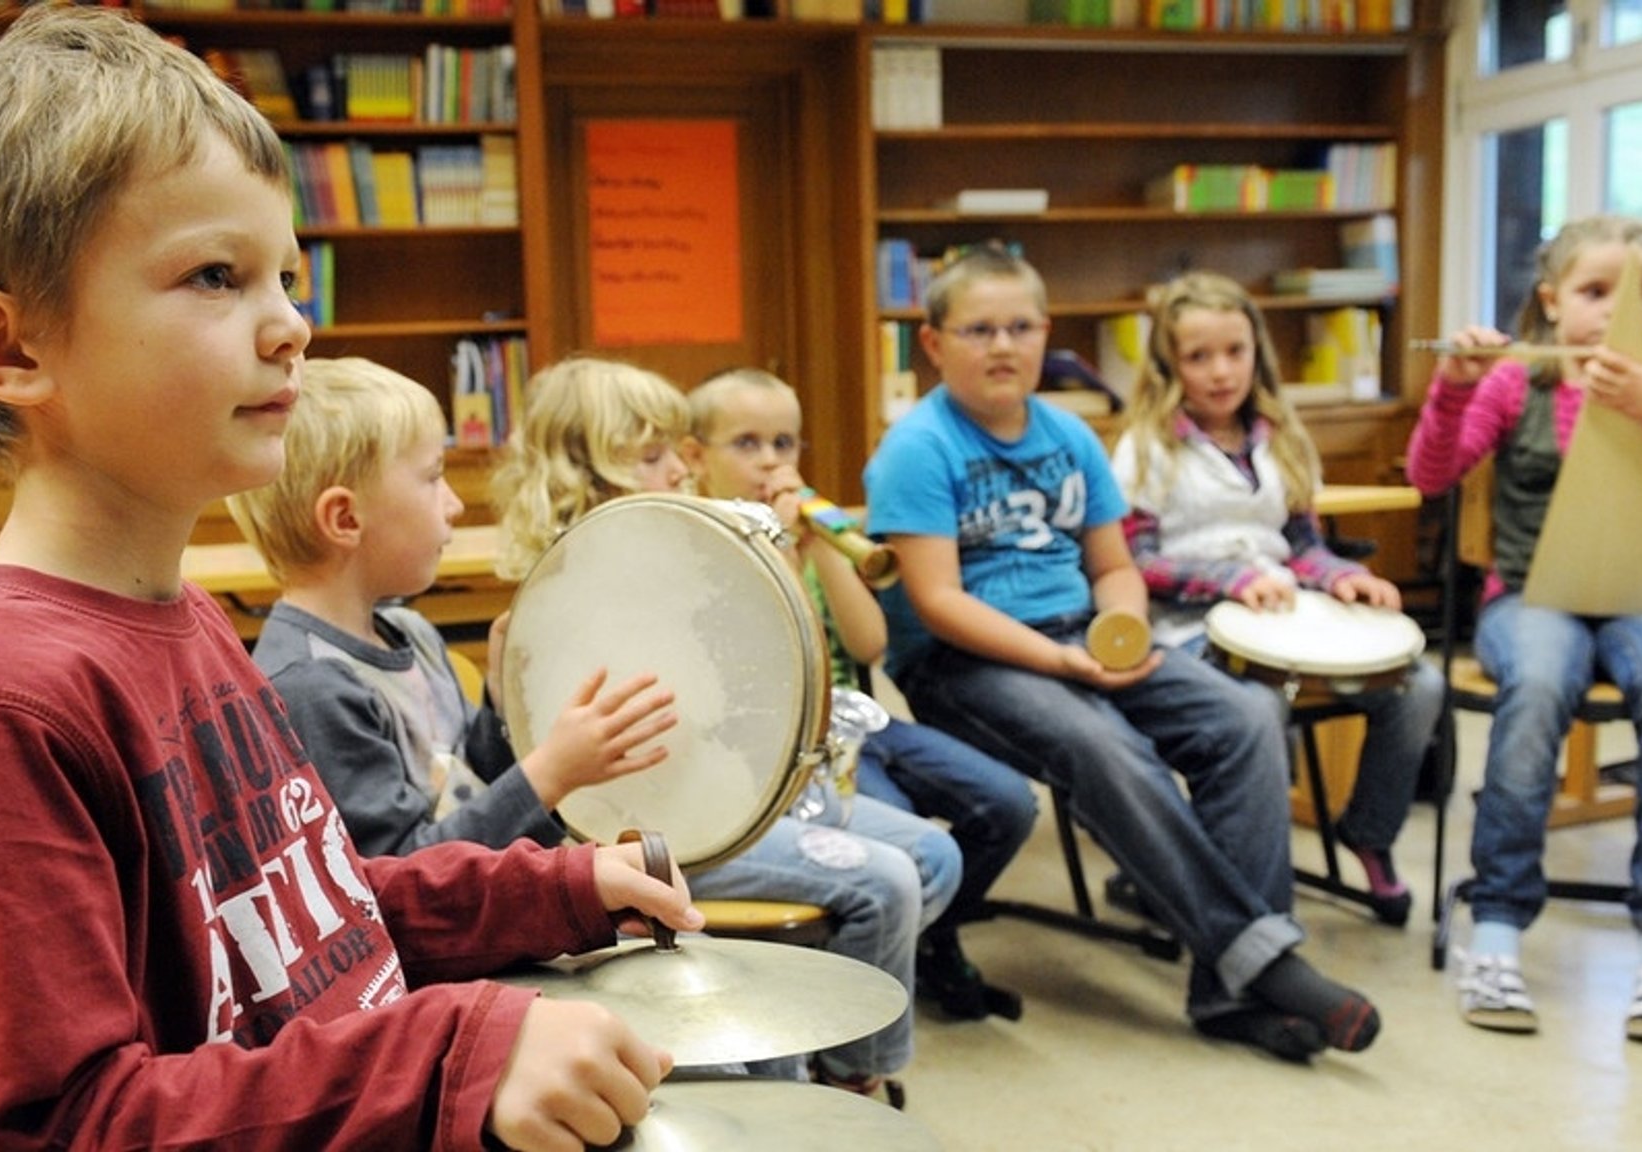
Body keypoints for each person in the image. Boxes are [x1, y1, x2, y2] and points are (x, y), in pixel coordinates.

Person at [0, 11, 705, 1151]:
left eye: (286, 277)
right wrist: (450, 1055)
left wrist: (549, 888)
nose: (292, 325)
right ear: (9, 348)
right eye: (216, 276)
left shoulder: (189, 618)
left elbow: (318, 924)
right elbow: (73, 1126)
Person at [863, 246, 1381, 1062]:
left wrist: (1121, 633)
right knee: (1104, 744)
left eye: (1020, 327)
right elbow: (939, 603)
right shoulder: (918, 447)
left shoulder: (1069, 435)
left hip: (1082, 634)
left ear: (1046, 335)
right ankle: (1266, 963)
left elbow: (1113, 567)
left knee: (1247, 716)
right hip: (965, 664)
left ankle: (1225, 994)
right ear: (933, 344)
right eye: (979, 329)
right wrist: (1066, 663)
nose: (1002, 345)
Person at [493, 355, 964, 1098]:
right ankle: (851, 1078)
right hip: (669, 837)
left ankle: (822, 1036)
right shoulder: (564, 607)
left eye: (679, 448)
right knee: (890, 881)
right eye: (653, 456)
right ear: (582, 476)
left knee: (934, 860)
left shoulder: (678, 565)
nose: (682, 468)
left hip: (735, 799)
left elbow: (804, 685)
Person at [1406, 214, 1642, 1043]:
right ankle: (1499, 930)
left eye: (1639, 293)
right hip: (1531, 600)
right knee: (1539, 683)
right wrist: (1457, 386)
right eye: (1594, 292)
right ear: (1551, 301)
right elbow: (1431, 474)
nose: (1616, 311)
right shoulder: (1520, 381)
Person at [680, 366, 1038, 1021]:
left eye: (785, 444)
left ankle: (920, 941)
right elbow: (769, 666)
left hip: (857, 722)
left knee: (1007, 801)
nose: (770, 461)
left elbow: (868, 642)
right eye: (748, 443)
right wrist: (784, 551)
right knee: (897, 833)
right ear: (696, 458)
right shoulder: (706, 540)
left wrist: (825, 552)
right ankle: (872, 976)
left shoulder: (812, 530)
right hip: (788, 739)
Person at [228, 356, 680, 858]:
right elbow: (404, 876)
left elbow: (472, 779)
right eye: (432, 478)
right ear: (345, 518)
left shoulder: (410, 631)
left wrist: (498, 700)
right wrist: (550, 773)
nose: (455, 504)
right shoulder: (312, 685)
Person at [1110, 271, 1444, 927]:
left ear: (1257, 351)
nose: (1220, 371)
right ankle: (1206, 875)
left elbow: (1301, 544)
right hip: (1191, 631)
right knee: (1257, 709)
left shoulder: (1282, 436)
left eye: (1235, 351)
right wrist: (1230, 581)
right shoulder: (1145, 447)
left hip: (1287, 617)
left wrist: (1341, 576)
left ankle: (1368, 834)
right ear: (1169, 364)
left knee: (1420, 685)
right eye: (1198, 356)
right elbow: (1136, 561)